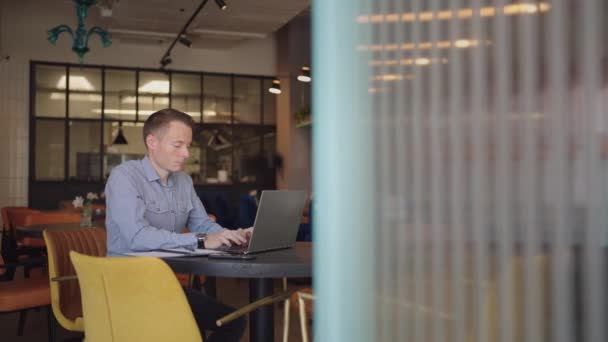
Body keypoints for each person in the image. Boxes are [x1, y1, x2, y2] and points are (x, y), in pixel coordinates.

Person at [105, 108, 251, 342]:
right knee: (193, 329)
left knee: (232, 320)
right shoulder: (124, 177)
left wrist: (232, 235)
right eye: (177, 145)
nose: (186, 153)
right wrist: (200, 240)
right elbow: (137, 236)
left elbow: (201, 222)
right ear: (152, 142)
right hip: (127, 284)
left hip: (163, 282)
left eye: (188, 145)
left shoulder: (183, 180)